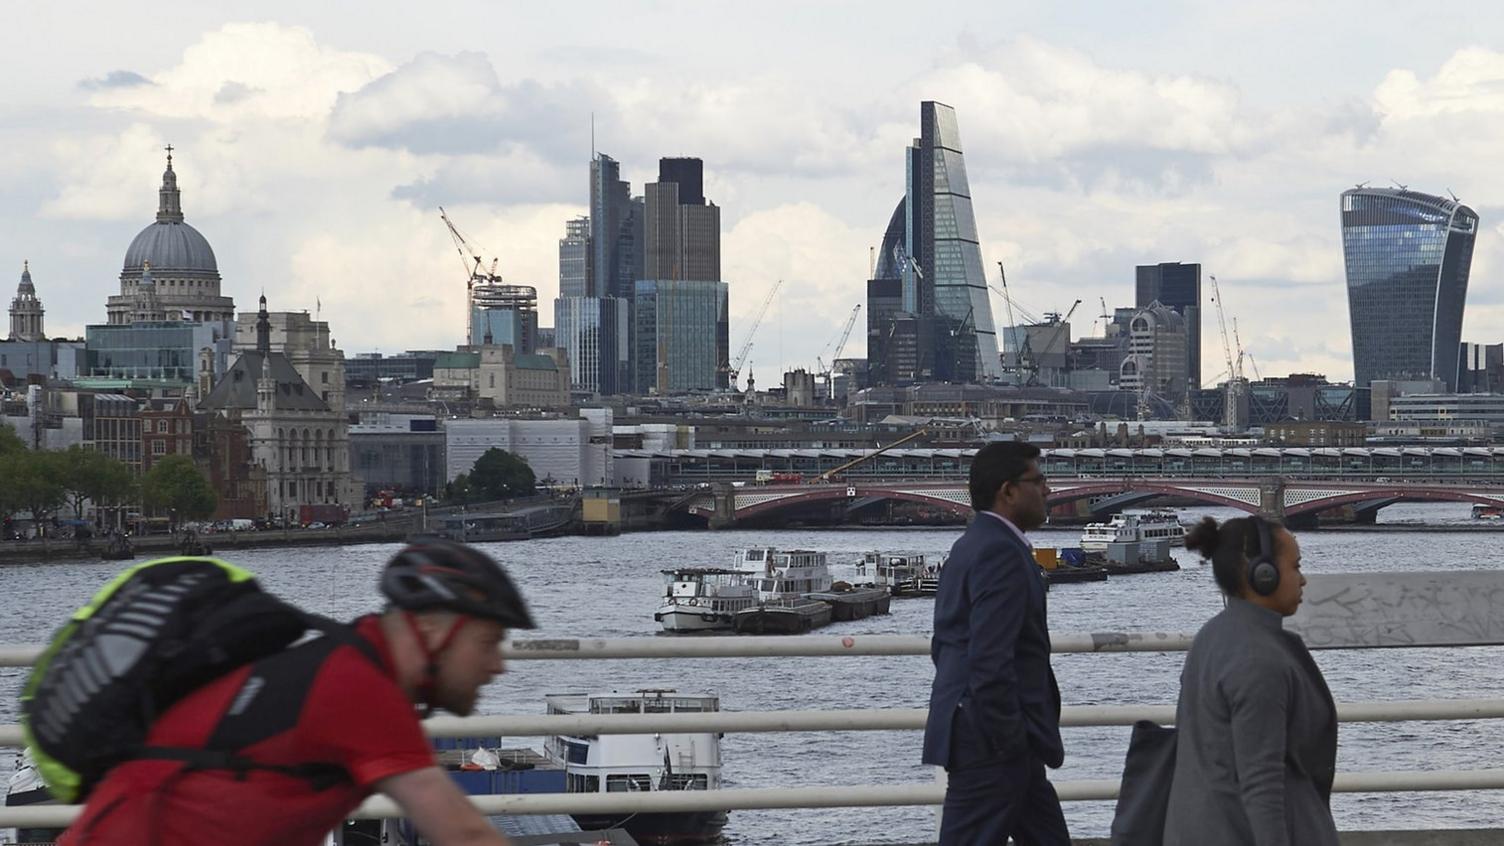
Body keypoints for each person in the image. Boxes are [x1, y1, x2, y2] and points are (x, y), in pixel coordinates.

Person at [60, 540, 535, 846]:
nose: (498, 665)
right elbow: (464, 835)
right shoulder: (359, 690)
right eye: (488, 642)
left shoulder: (350, 666)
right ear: (432, 629)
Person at [922, 441, 1068, 845]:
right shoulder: (1000, 553)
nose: (1048, 490)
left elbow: (946, 644)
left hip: (990, 736)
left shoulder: (971, 545)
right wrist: (1010, 739)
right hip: (992, 744)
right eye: (1038, 481)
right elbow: (989, 659)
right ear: (1008, 491)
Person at [1163, 516, 1339, 845]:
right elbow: (1262, 785)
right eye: (1295, 566)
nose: (1302, 580)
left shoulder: (1212, 636)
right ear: (1262, 574)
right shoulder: (1259, 660)